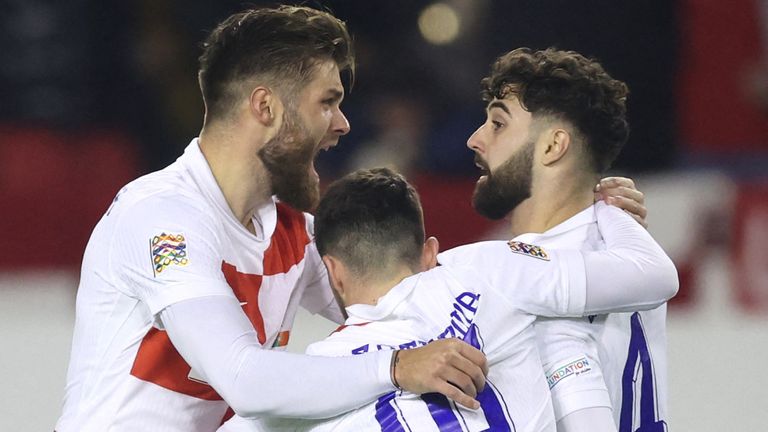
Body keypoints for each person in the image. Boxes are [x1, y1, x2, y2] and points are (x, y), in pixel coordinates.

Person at [54, 6, 490, 432]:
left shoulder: (291, 228)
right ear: (265, 107)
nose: (342, 124)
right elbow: (243, 379)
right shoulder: (162, 217)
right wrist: (393, 367)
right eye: (327, 102)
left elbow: (395, 302)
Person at [252, 167, 677, 431]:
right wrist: (610, 209)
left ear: (332, 271)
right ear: (431, 251)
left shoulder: (310, 379)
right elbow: (652, 274)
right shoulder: (487, 269)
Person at [443, 47, 670, 431]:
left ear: (552, 146)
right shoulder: (612, 251)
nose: (475, 139)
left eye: (498, 123)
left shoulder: (547, 279)